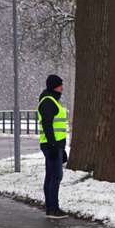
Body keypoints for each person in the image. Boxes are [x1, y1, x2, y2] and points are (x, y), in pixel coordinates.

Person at [37, 74, 69, 219]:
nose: (62, 88)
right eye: (60, 85)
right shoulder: (48, 102)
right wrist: (54, 144)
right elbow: (47, 124)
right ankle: (53, 208)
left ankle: (51, 208)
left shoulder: (51, 100)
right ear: (53, 86)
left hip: (54, 144)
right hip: (52, 144)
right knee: (56, 176)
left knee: (51, 175)